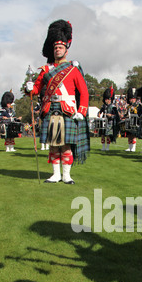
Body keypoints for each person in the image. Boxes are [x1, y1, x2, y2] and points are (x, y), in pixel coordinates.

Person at [26, 19, 89, 184]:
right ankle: (55, 174)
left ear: (66, 50)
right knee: (53, 144)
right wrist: (29, 87)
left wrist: (81, 111)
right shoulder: (46, 70)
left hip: (67, 109)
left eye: (60, 47)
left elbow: (83, 92)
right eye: (55, 48)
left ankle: (67, 175)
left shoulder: (73, 69)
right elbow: (35, 91)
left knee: (66, 145)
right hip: (50, 109)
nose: (57, 50)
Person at [98, 86, 120, 151]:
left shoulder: (113, 107)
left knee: (108, 135)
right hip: (103, 122)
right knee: (102, 135)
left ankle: (107, 147)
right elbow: (100, 112)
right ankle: (103, 147)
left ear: (110, 99)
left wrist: (111, 115)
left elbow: (116, 116)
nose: (106, 100)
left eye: (107, 99)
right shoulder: (103, 106)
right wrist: (99, 113)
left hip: (109, 122)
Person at [124, 87, 139, 152]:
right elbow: (127, 114)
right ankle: (130, 147)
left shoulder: (137, 105)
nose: (131, 100)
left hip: (134, 121)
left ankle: (133, 147)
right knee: (129, 135)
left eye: (132, 99)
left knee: (133, 135)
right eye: (130, 99)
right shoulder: (128, 106)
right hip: (129, 121)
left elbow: (137, 113)